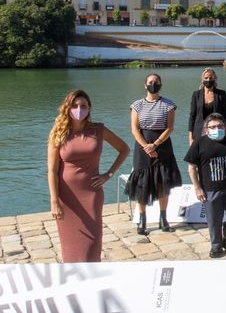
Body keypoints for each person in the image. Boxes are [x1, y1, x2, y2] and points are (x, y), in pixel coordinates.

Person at [48, 90, 130, 262]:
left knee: (92, 246)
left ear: (89, 108)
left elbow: (124, 149)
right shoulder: (58, 132)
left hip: (91, 194)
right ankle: (74, 282)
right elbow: (52, 171)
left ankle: (92, 280)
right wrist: (54, 201)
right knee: (70, 248)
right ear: (67, 108)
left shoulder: (98, 130)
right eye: (75, 105)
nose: (79, 109)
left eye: (83, 105)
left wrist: (108, 174)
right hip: (66, 197)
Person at [126, 73, 183, 235]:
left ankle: (163, 218)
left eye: (156, 82)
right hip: (142, 147)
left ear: (161, 85)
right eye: (150, 82)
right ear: (145, 85)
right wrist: (146, 146)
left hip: (162, 145)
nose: (153, 84)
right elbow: (134, 129)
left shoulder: (169, 105)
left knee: (162, 182)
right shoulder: (136, 105)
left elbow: (170, 128)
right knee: (142, 183)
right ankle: (142, 219)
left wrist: (155, 145)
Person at [184, 113, 226, 258]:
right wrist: (197, 187)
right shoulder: (199, 143)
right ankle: (216, 246)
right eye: (212, 127)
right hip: (210, 190)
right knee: (214, 220)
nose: (216, 129)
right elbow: (191, 167)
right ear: (206, 129)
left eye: (220, 126)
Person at [188, 67, 226, 146]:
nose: (208, 80)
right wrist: (190, 137)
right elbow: (192, 116)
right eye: (206, 78)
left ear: (215, 79)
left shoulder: (221, 94)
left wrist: (225, 130)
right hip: (199, 131)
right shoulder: (196, 94)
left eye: (211, 78)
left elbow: (225, 114)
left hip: (217, 130)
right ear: (202, 79)